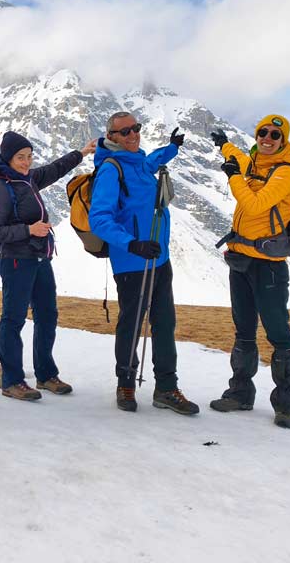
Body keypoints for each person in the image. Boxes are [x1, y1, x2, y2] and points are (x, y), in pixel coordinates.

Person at [88, 112, 199, 415]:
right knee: (132, 324)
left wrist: (172, 148)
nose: (133, 135)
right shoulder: (110, 170)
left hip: (159, 258)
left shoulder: (138, 162)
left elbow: (151, 162)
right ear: (112, 137)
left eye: (135, 128)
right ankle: (125, 383)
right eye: (125, 132)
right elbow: (99, 219)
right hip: (132, 261)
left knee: (164, 323)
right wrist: (132, 243)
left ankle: (166, 388)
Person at [0, 130, 96, 401]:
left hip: (39, 257)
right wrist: (29, 230)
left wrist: (82, 153)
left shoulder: (29, 178)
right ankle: (12, 381)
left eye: (29, 156)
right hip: (16, 260)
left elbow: (56, 169)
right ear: (8, 158)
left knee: (47, 315)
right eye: (20, 157)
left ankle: (46, 375)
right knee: (13, 319)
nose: (26, 162)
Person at [208, 115, 290, 429]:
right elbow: (238, 156)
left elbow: (255, 205)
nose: (267, 138)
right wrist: (224, 145)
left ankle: (285, 405)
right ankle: (240, 394)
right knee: (244, 329)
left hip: (268, 266)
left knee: (278, 333)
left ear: (283, 140)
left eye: (275, 134)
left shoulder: (285, 172)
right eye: (263, 132)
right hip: (240, 261)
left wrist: (234, 177)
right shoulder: (255, 165)